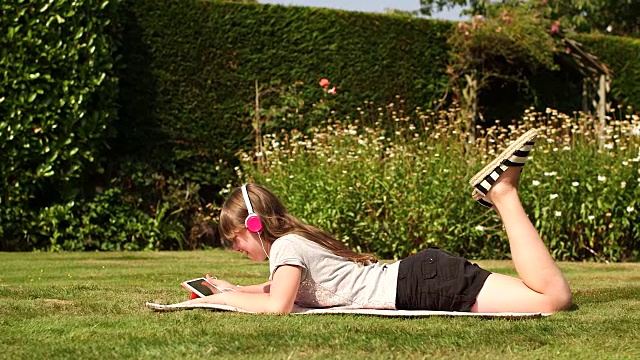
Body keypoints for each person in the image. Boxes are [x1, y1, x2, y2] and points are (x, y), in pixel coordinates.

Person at [182, 129, 573, 314]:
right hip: (423, 276)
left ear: (254, 227)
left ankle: (503, 192)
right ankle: (501, 192)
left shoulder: (285, 247)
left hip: (423, 285)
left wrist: (221, 299)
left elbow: (280, 304)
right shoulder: (293, 246)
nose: (234, 247)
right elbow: (282, 287)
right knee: (548, 295)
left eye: (235, 238)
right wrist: (240, 288)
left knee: (552, 299)